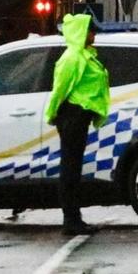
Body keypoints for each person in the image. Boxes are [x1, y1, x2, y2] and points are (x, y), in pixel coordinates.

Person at [45, 12, 110, 234]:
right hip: (72, 115)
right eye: (92, 30)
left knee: (73, 167)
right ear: (82, 32)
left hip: (78, 116)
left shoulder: (83, 55)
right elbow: (59, 90)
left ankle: (74, 218)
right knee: (70, 168)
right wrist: (52, 114)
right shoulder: (72, 58)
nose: (94, 35)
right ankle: (71, 220)